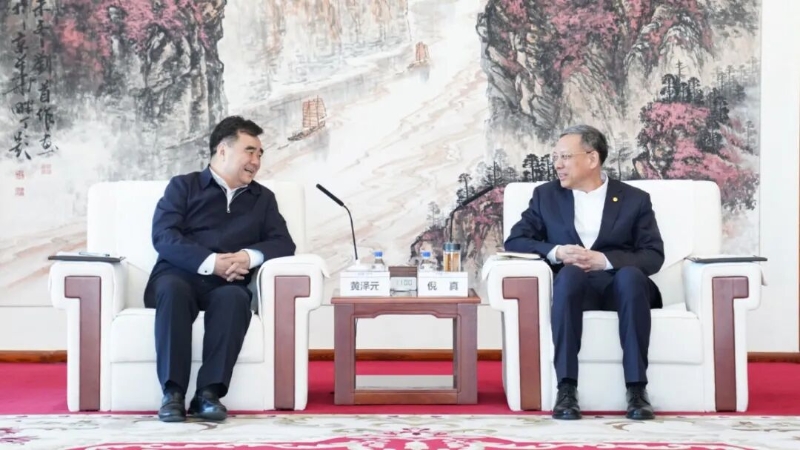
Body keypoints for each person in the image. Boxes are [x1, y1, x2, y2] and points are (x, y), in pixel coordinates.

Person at [504, 124, 664, 421]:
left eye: (565, 156)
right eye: (555, 157)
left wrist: (605, 260)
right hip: (575, 289)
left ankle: (637, 390)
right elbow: (515, 240)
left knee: (631, 276)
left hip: (621, 289)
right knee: (569, 275)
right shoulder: (546, 196)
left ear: (592, 159)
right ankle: (566, 389)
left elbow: (653, 255)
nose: (557, 165)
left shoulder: (634, 199)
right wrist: (557, 252)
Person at [144, 116, 296, 422]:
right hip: (178, 275)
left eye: (260, 154)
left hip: (227, 283)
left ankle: (207, 395)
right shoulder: (183, 186)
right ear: (223, 150)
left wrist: (248, 257)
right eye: (249, 151)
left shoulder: (262, 199)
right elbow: (164, 236)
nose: (256, 161)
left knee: (236, 299)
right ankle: (172, 394)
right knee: (173, 290)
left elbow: (283, 243)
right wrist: (211, 262)